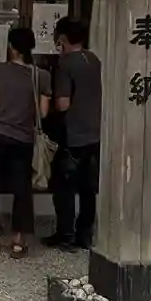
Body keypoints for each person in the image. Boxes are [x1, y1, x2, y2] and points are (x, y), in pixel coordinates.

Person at [0, 25, 51, 258]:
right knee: (22, 188)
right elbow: (43, 113)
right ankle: (18, 241)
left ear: (11, 47)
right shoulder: (41, 76)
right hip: (22, 137)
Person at [44, 17, 101, 250]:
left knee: (64, 186)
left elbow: (63, 104)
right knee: (88, 189)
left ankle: (65, 235)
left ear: (62, 38)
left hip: (73, 133)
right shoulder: (94, 59)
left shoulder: (65, 64)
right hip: (95, 132)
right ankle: (84, 235)